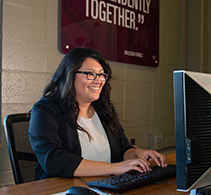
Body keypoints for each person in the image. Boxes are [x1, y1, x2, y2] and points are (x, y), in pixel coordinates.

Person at [28, 48, 167, 180]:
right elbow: (54, 161)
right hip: (61, 192)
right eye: (90, 74)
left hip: (106, 187)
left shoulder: (104, 109)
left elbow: (123, 149)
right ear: (69, 75)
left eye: (101, 74)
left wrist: (138, 154)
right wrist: (113, 168)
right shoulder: (45, 110)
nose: (99, 80)